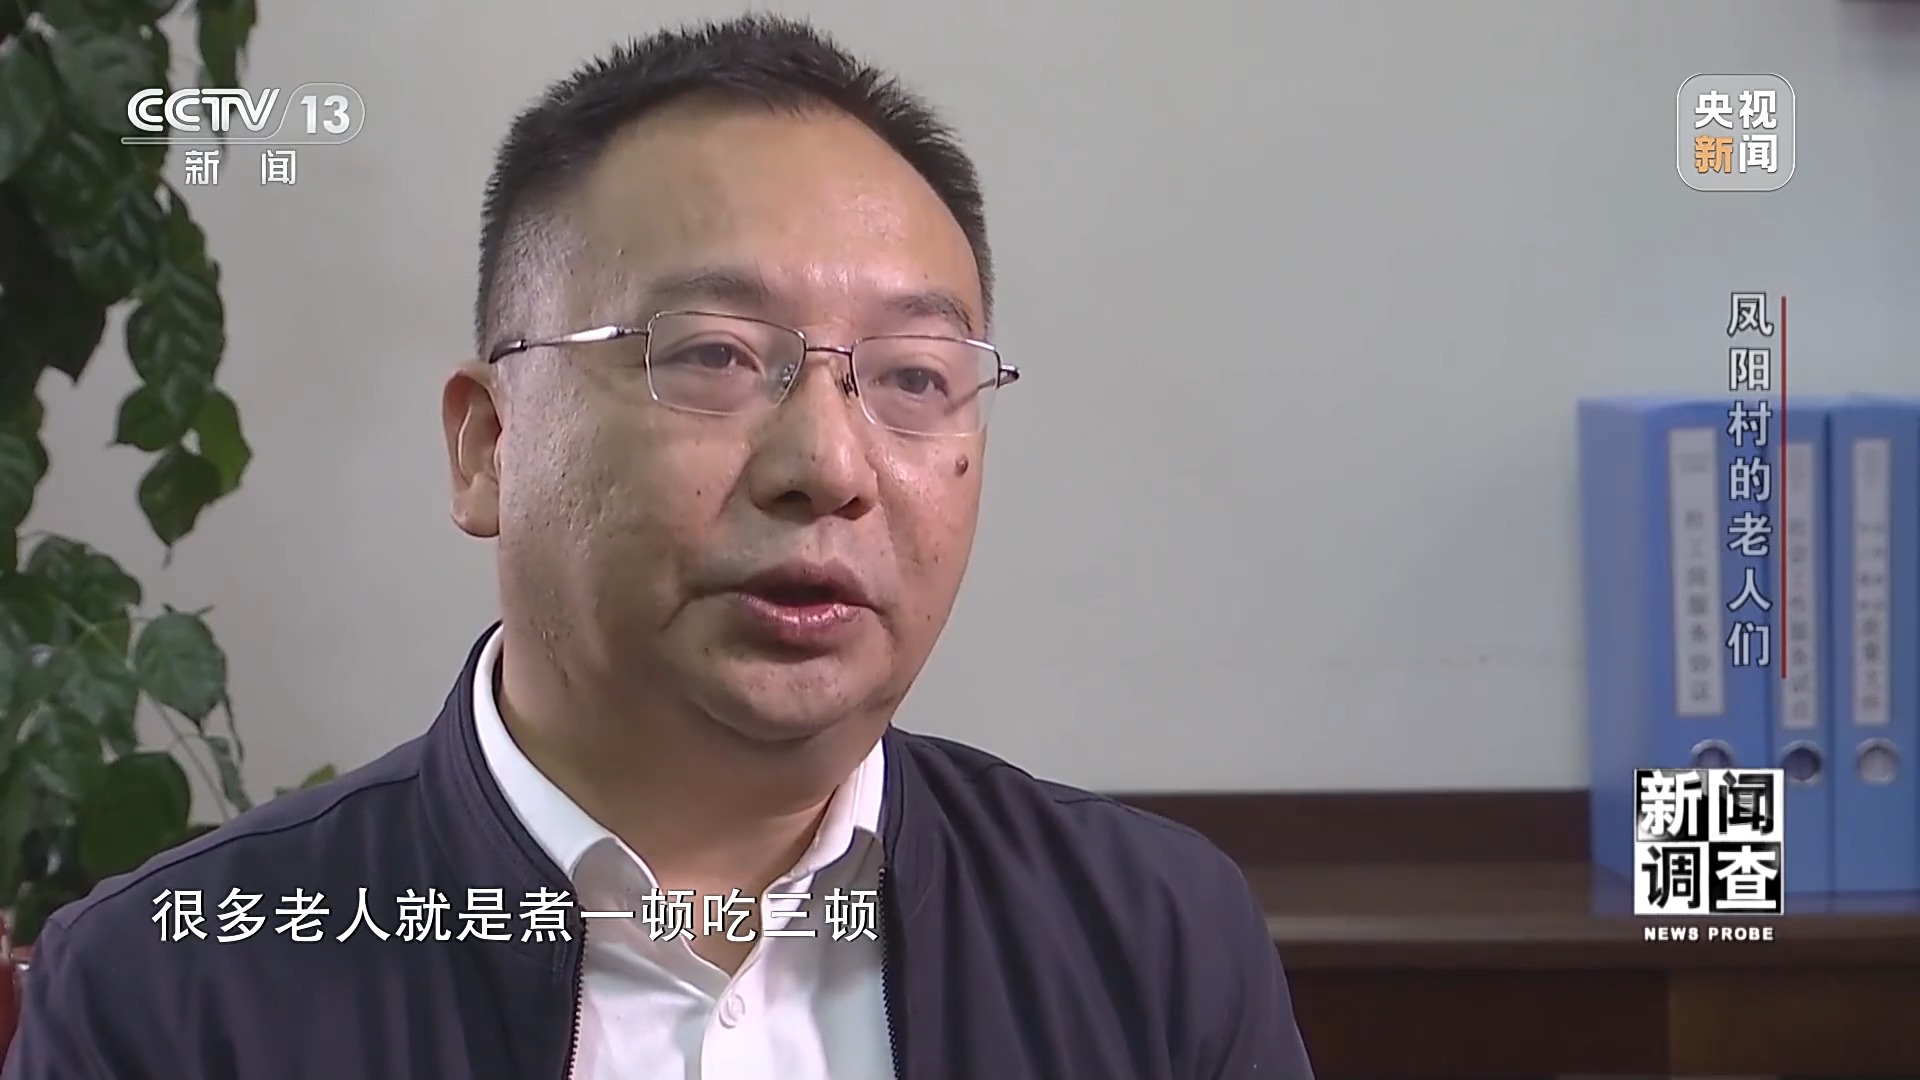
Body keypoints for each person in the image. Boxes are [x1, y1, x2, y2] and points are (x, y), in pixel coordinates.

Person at [3, 15, 1312, 1080]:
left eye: (914, 376)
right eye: (714, 356)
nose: (829, 466)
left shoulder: (1151, 940)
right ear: (488, 444)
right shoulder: (173, 990)